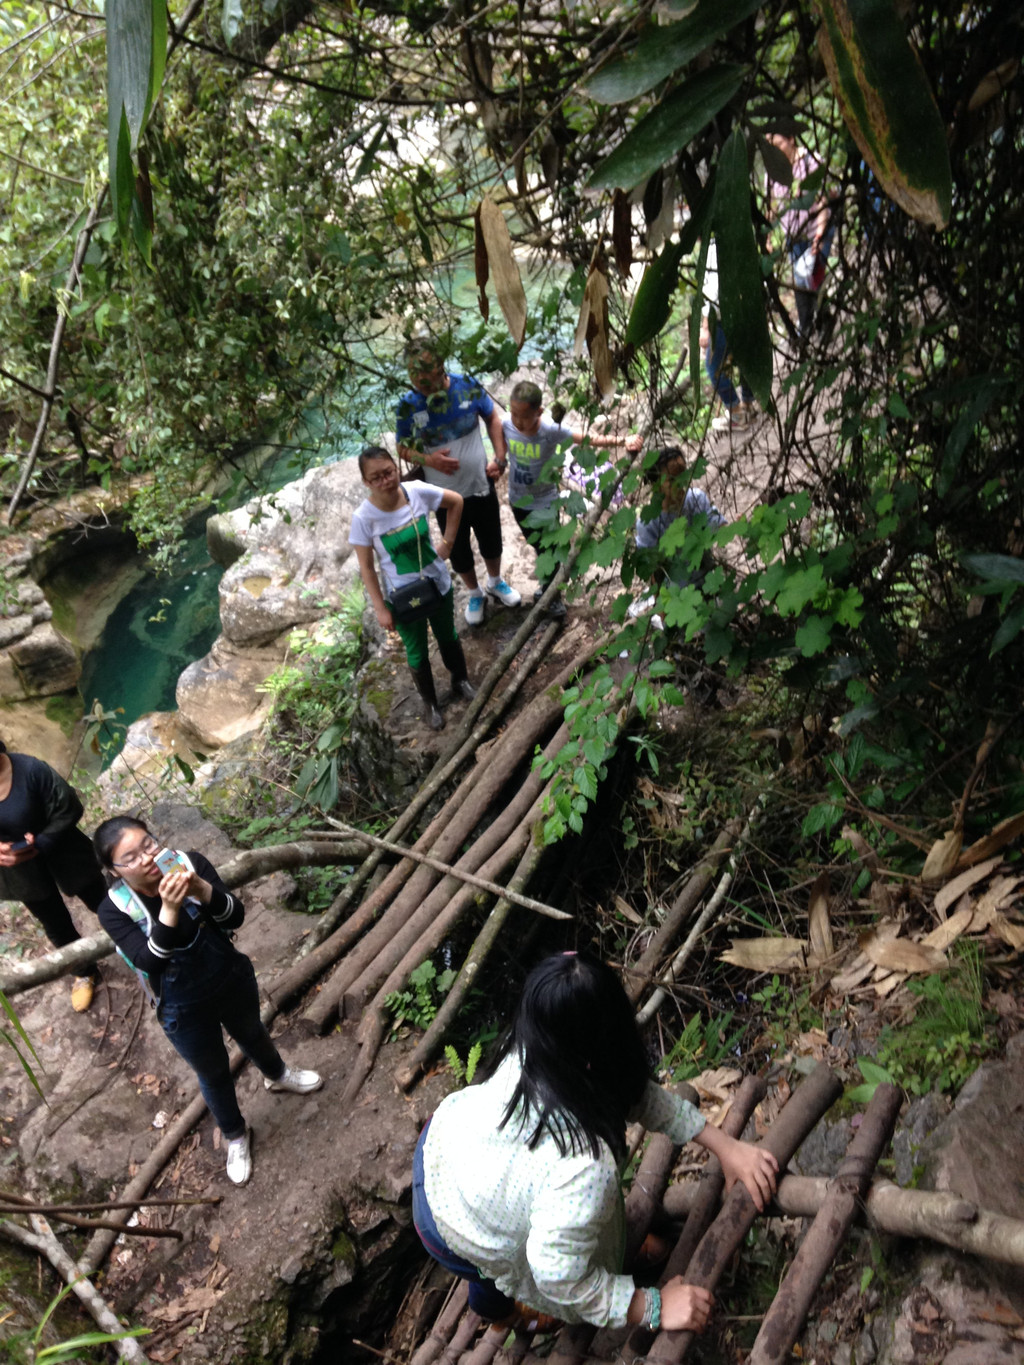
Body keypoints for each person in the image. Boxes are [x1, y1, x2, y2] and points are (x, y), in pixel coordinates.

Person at [413, 952, 778, 1332]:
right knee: (488, 1275)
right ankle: (503, 1317)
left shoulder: (539, 1043)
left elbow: (631, 1090)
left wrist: (726, 1146)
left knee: (530, 1233)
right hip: (447, 1215)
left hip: (451, 1137)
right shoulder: (585, 1165)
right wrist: (652, 1306)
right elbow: (555, 1273)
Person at [93, 815, 322, 1186]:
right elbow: (150, 960)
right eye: (131, 857)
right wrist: (168, 908)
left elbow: (236, 915)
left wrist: (200, 888)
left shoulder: (189, 862)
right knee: (213, 1071)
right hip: (179, 1003)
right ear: (114, 870)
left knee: (252, 1032)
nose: (147, 858)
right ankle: (235, 1134)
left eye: (148, 844)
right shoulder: (115, 909)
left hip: (227, 974)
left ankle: (278, 1075)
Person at [395, 339, 522, 625]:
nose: (424, 388)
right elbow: (401, 448)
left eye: (428, 381)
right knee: (458, 546)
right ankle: (475, 593)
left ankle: (495, 581)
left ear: (441, 367)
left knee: (491, 539)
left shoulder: (468, 385)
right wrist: (430, 460)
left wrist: (500, 457)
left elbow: (492, 417)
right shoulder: (407, 406)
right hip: (442, 494)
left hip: (480, 482)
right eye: (418, 383)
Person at [349, 446, 475, 731]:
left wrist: (448, 544)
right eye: (376, 478)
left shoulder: (416, 491)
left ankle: (460, 680)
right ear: (366, 482)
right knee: (416, 650)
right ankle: (431, 703)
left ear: (396, 468)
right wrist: (380, 608)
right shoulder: (363, 518)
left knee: (448, 635)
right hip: (403, 598)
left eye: (388, 472)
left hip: (437, 583)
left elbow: (456, 502)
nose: (385, 481)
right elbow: (367, 568)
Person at [503, 382, 642, 619]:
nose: (517, 421)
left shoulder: (549, 429)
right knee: (538, 546)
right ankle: (547, 589)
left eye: (524, 416)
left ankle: (552, 598)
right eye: (514, 414)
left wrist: (623, 440)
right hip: (518, 501)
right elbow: (495, 435)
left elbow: (586, 438)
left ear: (539, 411)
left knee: (552, 550)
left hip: (545, 502)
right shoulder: (506, 424)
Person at [0, 738, 107, 1012]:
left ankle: (139, 938)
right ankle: (84, 972)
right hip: (20, 873)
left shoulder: (31, 770)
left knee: (102, 901)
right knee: (55, 923)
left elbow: (69, 806)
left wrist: (42, 842)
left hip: (63, 849)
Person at [632, 447, 728, 613]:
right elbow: (654, 572)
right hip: (679, 595)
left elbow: (718, 527)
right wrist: (661, 609)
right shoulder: (648, 524)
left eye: (684, 473)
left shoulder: (696, 499)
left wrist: (737, 529)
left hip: (708, 581)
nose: (682, 481)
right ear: (656, 484)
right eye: (672, 478)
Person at [765, 134, 834, 336]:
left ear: (791, 139)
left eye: (777, 144)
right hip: (794, 236)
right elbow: (773, 208)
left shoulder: (811, 163)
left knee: (814, 276)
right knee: (799, 280)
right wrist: (768, 238)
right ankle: (806, 326)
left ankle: (823, 320)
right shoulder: (773, 173)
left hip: (816, 230)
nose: (774, 151)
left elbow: (823, 201)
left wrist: (820, 234)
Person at [699, 240, 756, 434]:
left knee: (713, 367)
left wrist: (706, 327)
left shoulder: (714, 248)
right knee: (744, 359)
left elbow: (714, 291)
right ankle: (748, 406)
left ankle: (737, 414)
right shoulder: (736, 234)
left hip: (723, 318)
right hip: (744, 310)